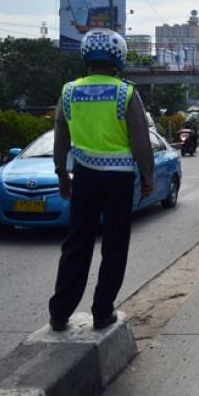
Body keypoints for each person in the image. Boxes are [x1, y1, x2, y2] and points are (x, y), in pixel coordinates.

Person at [49, 28, 154, 332]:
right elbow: (140, 142)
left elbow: (61, 139)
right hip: (119, 181)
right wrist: (147, 177)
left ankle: (60, 313)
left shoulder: (69, 92)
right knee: (114, 246)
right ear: (118, 58)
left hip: (84, 176)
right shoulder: (126, 92)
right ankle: (102, 312)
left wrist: (62, 175)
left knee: (76, 243)